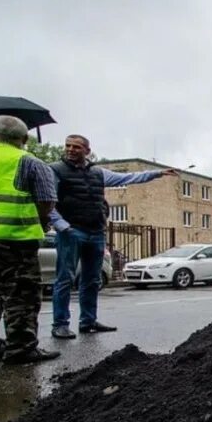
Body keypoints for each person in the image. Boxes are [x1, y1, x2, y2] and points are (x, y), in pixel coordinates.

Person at [49, 134, 176, 339]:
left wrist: (157, 173)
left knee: (91, 280)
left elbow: (128, 178)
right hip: (72, 232)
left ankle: (88, 321)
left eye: (76, 147)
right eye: (68, 146)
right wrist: (63, 226)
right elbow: (47, 201)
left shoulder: (98, 173)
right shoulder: (55, 170)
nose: (71, 150)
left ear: (87, 151)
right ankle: (60, 324)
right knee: (65, 279)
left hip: (96, 232)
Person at [0, 115, 60, 364]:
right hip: (16, 241)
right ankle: (21, 348)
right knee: (21, 295)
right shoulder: (28, 162)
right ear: (23, 139)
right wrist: (39, 221)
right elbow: (46, 201)